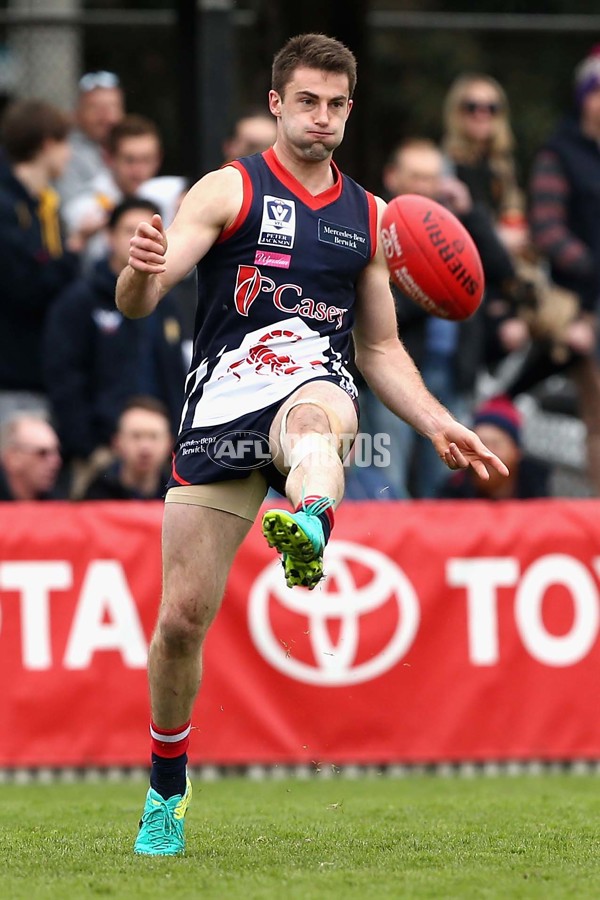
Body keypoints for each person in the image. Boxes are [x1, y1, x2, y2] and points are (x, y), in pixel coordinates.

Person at [116, 33, 508, 856]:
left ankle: (315, 522)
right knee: (181, 620)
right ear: (275, 104)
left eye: (335, 105)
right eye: (306, 102)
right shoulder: (229, 189)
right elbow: (145, 299)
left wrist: (438, 423)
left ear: (348, 111)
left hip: (312, 381)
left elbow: (378, 350)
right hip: (222, 402)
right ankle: (165, 791)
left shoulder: (368, 218)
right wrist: (142, 269)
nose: (320, 118)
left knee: (317, 423)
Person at [346, 137, 521, 499]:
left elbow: (502, 272)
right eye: (417, 176)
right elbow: (373, 309)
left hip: (454, 371)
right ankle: (386, 548)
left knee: (445, 480)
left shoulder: (450, 223)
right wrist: (431, 291)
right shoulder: (376, 225)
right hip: (395, 372)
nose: (426, 186)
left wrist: (471, 213)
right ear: (393, 177)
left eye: (433, 177)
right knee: (386, 475)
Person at [43, 198, 186, 497]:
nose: (140, 240)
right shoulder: (78, 301)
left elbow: (175, 376)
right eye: (129, 231)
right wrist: (89, 447)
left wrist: (176, 441)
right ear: (109, 237)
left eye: (150, 233)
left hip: (160, 456)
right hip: (99, 455)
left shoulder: (167, 303)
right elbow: (64, 379)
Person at [511, 45, 600, 495]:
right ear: (585, 96)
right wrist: (591, 267)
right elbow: (546, 230)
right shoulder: (559, 153)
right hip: (572, 310)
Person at [0, 99, 84, 421]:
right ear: (47, 144)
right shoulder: (7, 206)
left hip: (41, 372)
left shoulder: (44, 204)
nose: (69, 154)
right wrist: (73, 253)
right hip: (13, 378)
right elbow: (25, 285)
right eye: (65, 144)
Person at [62, 114, 184, 266]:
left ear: (159, 159)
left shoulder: (175, 201)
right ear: (108, 158)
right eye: (129, 160)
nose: (139, 170)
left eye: (147, 160)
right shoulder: (83, 208)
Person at [442, 73, 528, 259]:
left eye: (492, 108)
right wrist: (498, 236)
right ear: (457, 113)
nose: (482, 114)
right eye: (472, 107)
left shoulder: (503, 166)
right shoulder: (444, 167)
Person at [438, 395, 551, 499]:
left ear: (517, 451)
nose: (487, 454)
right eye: (480, 444)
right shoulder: (454, 491)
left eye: (495, 444)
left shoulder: (539, 489)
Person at [55, 70, 125, 208]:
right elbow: (71, 211)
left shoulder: (131, 146)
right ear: (77, 114)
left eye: (112, 107)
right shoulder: (67, 152)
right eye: (95, 108)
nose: (106, 117)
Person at [82, 396, 173, 500]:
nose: (145, 448)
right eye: (136, 436)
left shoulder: (180, 493)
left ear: (169, 443)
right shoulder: (96, 496)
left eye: (153, 437)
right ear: (117, 442)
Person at [0, 411, 63, 500]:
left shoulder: (57, 503)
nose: (56, 462)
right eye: (42, 453)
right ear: (12, 458)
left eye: (56, 453)